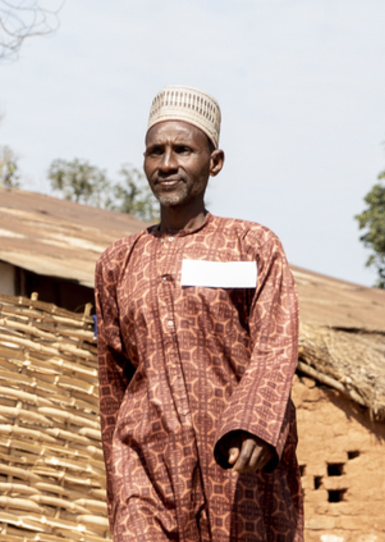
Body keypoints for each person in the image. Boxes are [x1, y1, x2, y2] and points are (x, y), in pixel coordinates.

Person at [94, 86, 303, 542]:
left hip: (235, 461)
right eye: (156, 151)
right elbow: (113, 383)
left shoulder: (252, 246)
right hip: (146, 467)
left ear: (215, 161)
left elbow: (276, 343)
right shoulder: (117, 264)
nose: (167, 164)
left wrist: (256, 422)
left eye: (183, 150)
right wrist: (117, 473)